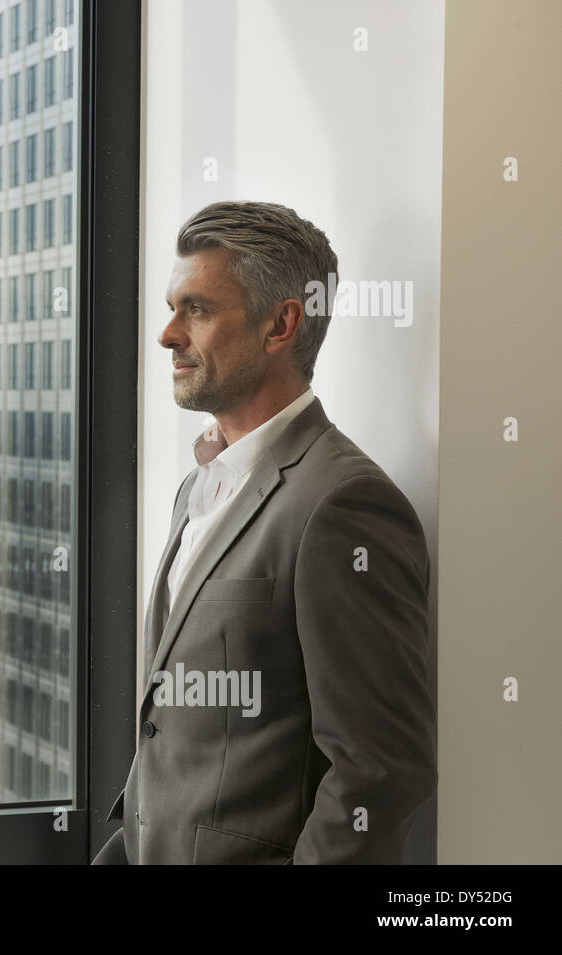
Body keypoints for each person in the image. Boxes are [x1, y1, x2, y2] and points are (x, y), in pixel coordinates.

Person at [94, 201, 436, 864]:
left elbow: (383, 772)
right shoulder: (198, 487)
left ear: (282, 323)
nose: (167, 334)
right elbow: (177, 744)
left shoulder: (344, 504)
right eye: (172, 306)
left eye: (196, 308)